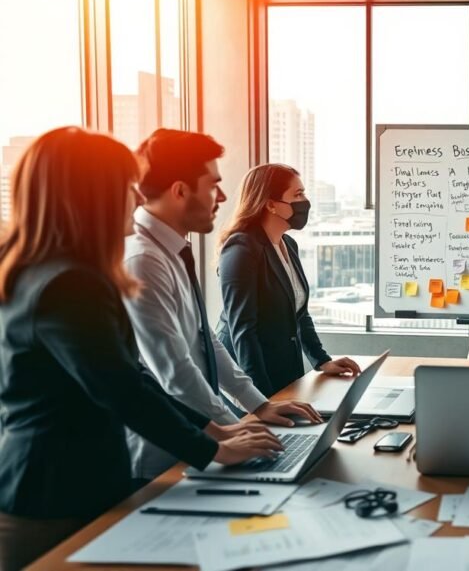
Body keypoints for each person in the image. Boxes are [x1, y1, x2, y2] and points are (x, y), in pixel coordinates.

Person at [0, 128, 282, 570]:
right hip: (53, 497)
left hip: (67, 487)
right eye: (126, 186)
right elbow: (121, 390)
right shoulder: (69, 283)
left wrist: (216, 431)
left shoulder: (51, 271)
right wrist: (213, 448)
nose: (136, 199)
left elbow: (133, 377)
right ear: (90, 196)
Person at [124, 129, 323, 482]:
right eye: (213, 185)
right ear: (180, 191)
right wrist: (233, 428)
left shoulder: (172, 249)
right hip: (165, 457)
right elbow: (175, 371)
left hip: (203, 439)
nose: (223, 196)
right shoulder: (144, 260)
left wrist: (259, 407)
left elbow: (207, 340)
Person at [217, 164, 361, 396]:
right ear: (270, 204)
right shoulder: (241, 248)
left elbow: (298, 313)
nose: (305, 201)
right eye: (298, 194)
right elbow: (243, 330)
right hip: (247, 376)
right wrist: (261, 398)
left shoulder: (288, 244)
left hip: (283, 368)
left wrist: (322, 361)